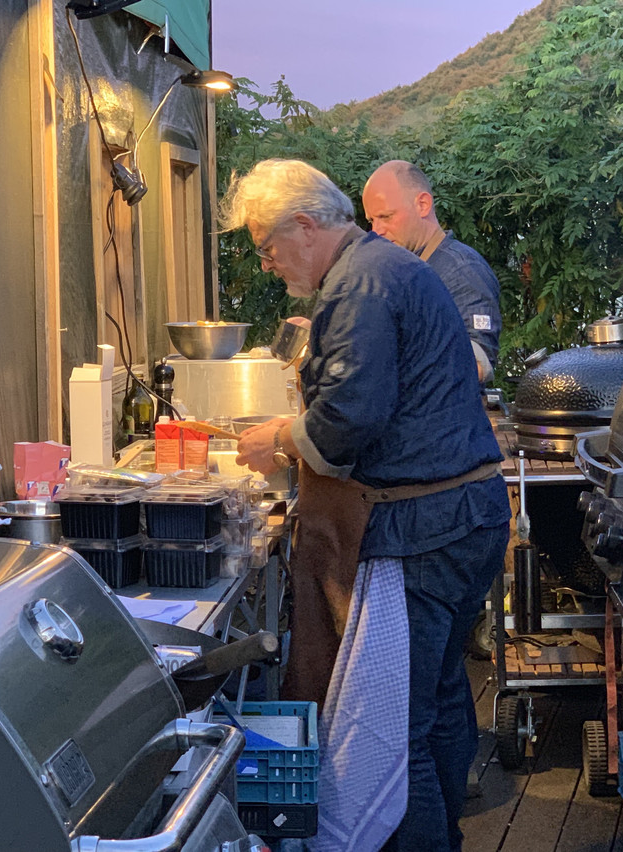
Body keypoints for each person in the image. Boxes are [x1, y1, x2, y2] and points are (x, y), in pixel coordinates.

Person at [220, 158, 511, 852]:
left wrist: (281, 439)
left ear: (306, 224)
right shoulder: (382, 268)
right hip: (467, 516)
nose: (266, 263)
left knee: (395, 724)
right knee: (441, 701)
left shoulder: (361, 287)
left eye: (267, 245)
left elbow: (349, 419)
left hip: (424, 530)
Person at [363, 159, 502, 381]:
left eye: (385, 217)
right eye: (371, 220)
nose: (376, 230)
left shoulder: (462, 270)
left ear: (423, 205)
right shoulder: (399, 267)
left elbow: (476, 365)